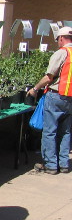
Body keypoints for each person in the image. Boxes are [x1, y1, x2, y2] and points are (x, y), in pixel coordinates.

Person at [27, 26, 72, 175]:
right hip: (70, 98)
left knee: (49, 131)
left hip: (56, 95)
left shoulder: (61, 53)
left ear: (61, 38)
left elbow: (49, 77)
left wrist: (35, 88)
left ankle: (51, 165)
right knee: (66, 132)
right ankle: (64, 164)